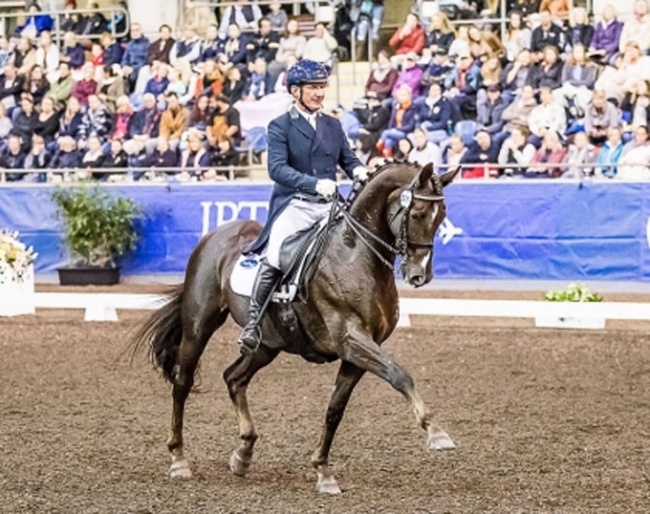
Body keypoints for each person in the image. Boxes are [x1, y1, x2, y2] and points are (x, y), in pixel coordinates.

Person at [237, 60, 368, 354]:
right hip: (295, 203)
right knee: (276, 254)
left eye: (322, 87)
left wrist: (359, 170)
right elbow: (277, 169)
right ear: (296, 91)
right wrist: (312, 183)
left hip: (329, 205)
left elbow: (347, 159)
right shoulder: (280, 125)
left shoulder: (332, 125)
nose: (320, 93)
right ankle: (254, 322)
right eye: (313, 87)